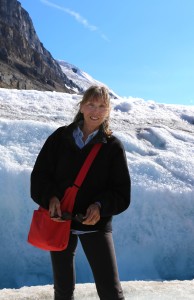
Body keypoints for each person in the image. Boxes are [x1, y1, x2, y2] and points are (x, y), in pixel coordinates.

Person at [30, 85, 131, 300]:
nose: (96, 111)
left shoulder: (113, 147)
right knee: (63, 291)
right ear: (82, 107)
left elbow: (121, 193)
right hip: (60, 222)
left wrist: (100, 206)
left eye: (102, 106)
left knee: (111, 291)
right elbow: (40, 175)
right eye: (91, 104)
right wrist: (51, 197)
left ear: (108, 111)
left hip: (95, 225)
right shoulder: (60, 138)